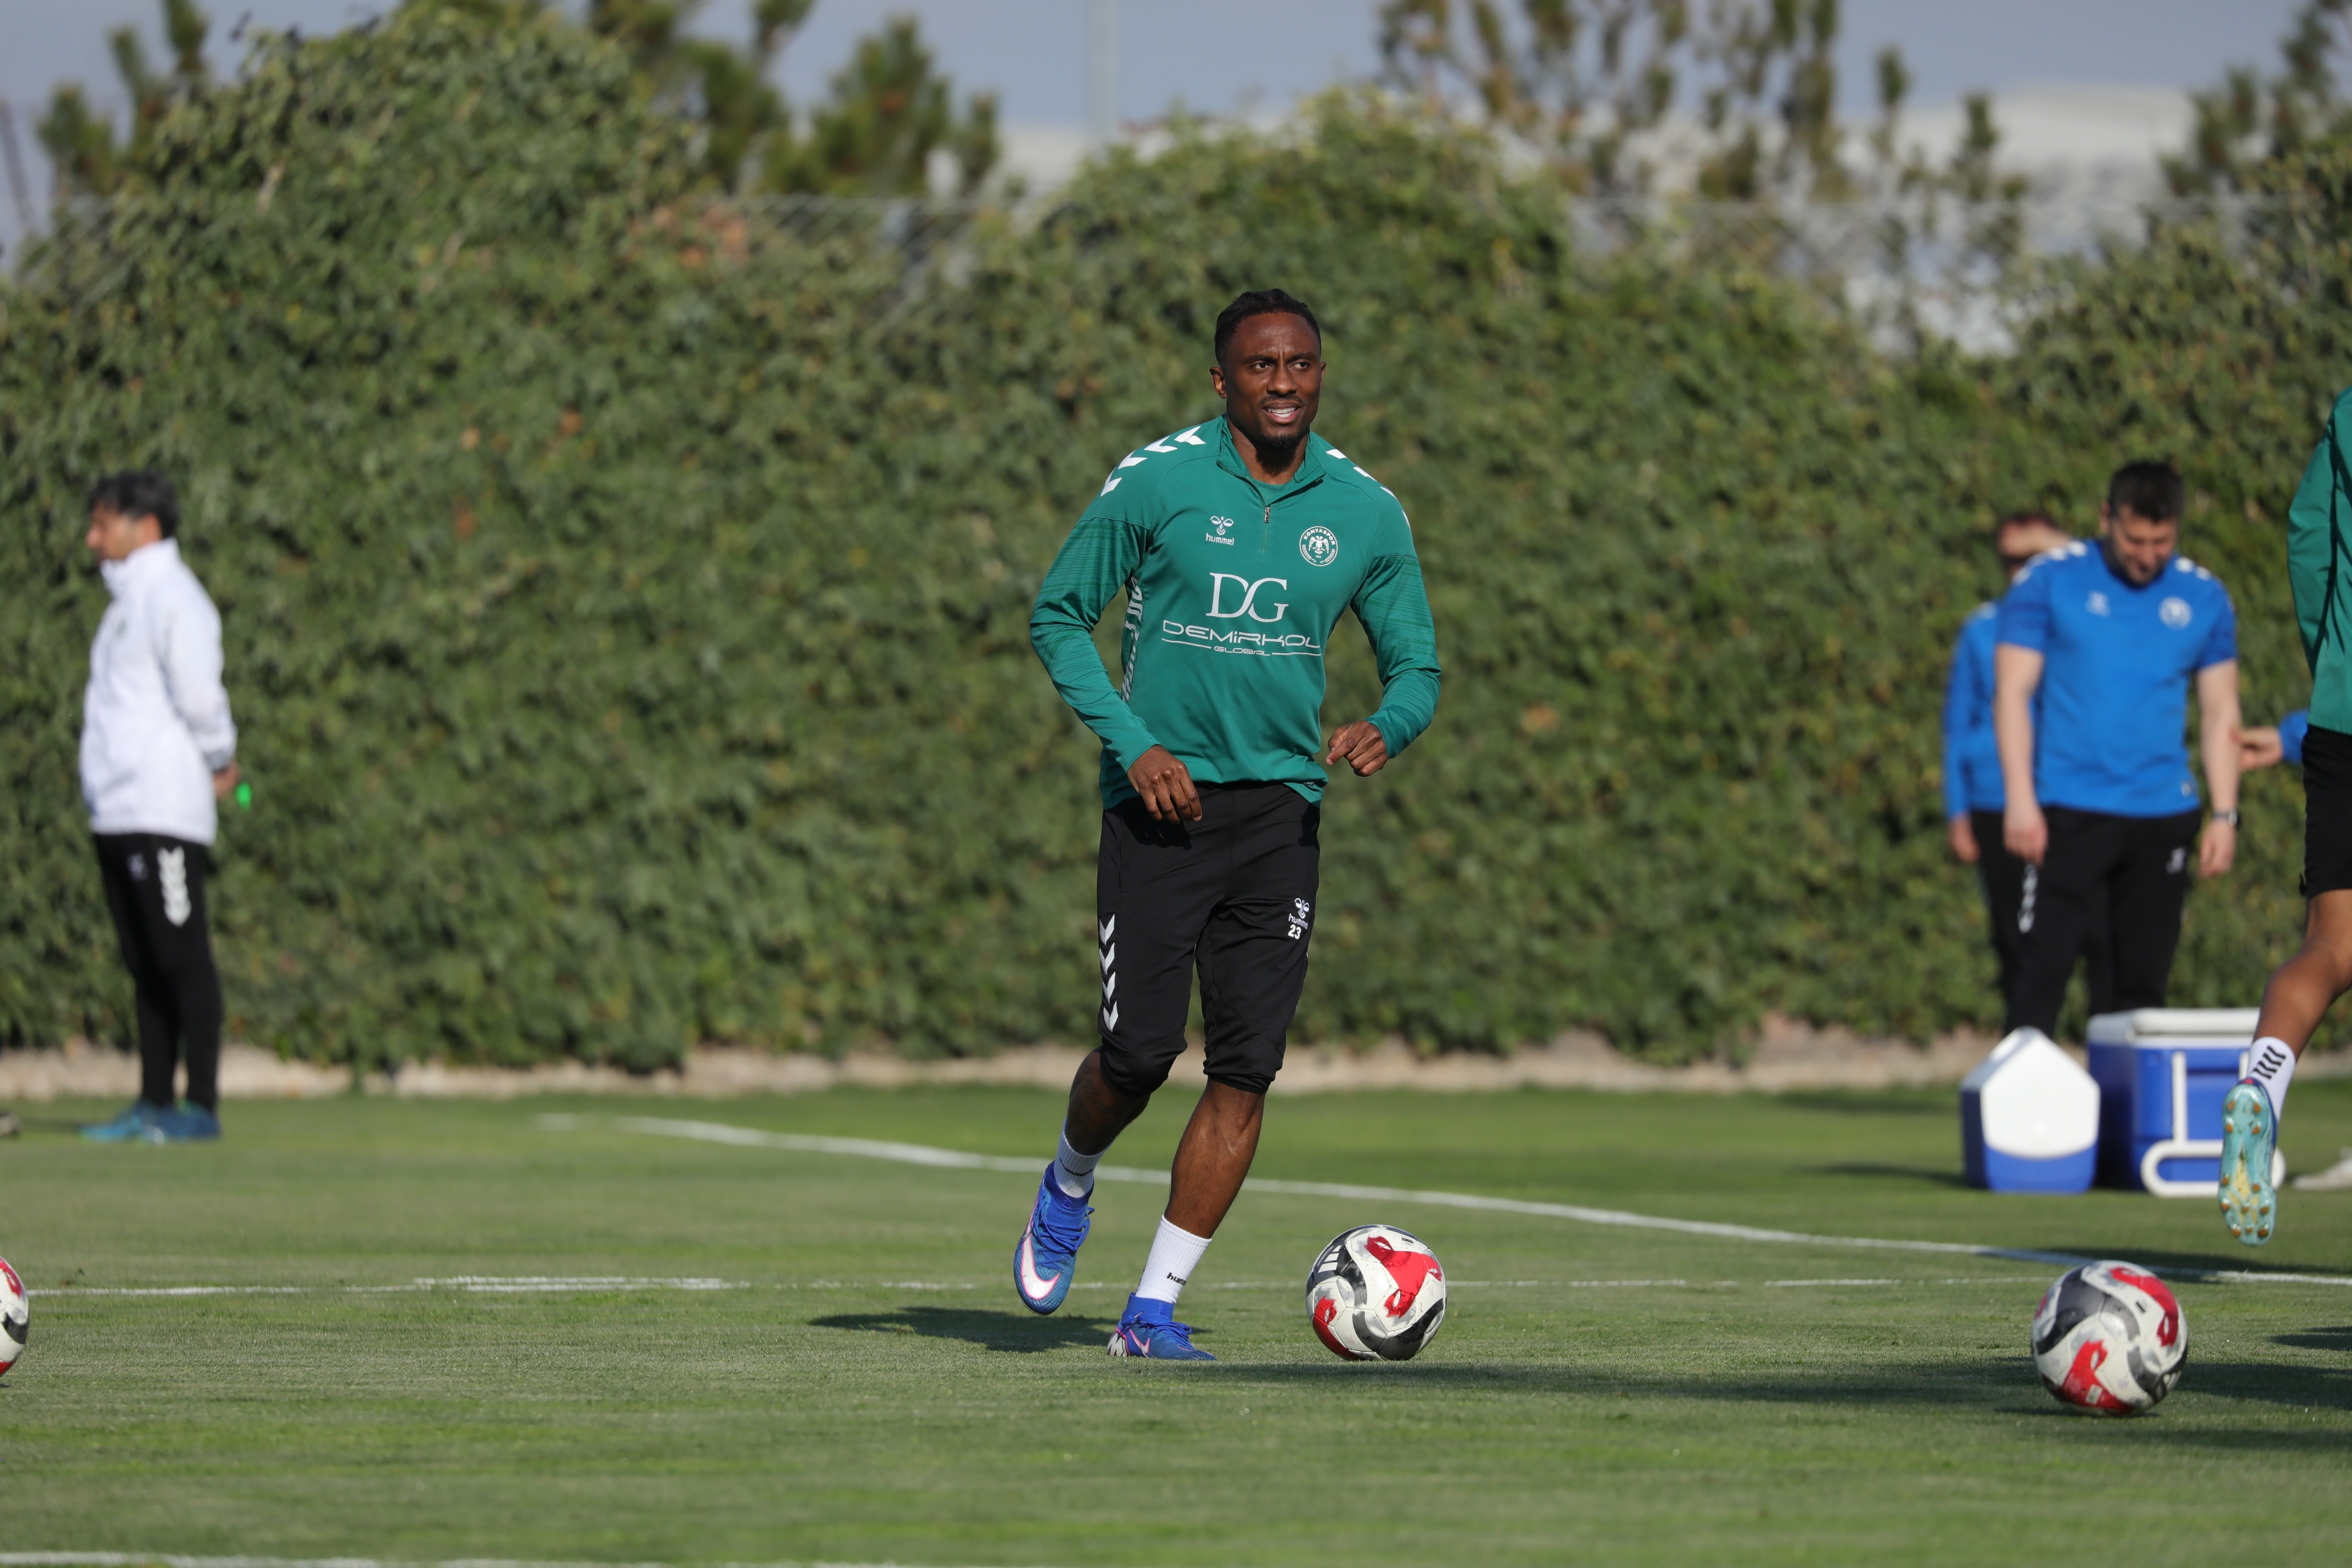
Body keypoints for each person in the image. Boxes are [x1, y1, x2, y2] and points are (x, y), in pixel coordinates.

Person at [1017, 289, 1441, 1360]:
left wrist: (1388, 723)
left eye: (1301, 363)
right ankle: (1069, 1179)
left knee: (1246, 1072)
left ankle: (1149, 1314)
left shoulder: (1366, 509)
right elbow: (1058, 615)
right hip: (1160, 805)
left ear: (1321, 374)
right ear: (1222, 380)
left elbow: (1418, 666)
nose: (1283, 382)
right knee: (1137, 1056)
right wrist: (1133, 745)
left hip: (1281, 818)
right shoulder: (1157, 480)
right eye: (1261, 365)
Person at [1994, 461, 2240, 1040]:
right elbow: (2012, 693)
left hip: (2161, 813)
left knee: (2139, 992)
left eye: (2161, 541)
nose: (2147, 555)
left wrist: (2225, 814)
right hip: (2068, 811)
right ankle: (2019, 1099)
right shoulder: (2048, 581)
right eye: (2134, 540)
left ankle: (2129, 1103)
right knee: (2039, 976)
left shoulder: (2203, 596)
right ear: (2107, 518)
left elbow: (2221, 712)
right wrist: (2020, 800)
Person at [2220, 386, 2352, 1247]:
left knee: (2330, 947)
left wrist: (2332, 665)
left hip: (2343, 714)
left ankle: (2262, 1085)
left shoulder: (2349, 409)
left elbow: (2310, 539)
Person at [77, 471, 240, 1144]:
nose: (93, 539)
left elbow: (199, 694)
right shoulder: (124, 605)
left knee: (181, 957)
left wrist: (221, 758)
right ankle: (152, 1101)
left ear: (144, 526)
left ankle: (198, 1106)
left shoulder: (175, 597)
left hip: (162, 810)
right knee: (143, 962)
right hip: (116, 811)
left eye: (103, 525)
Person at [1943, 511, 2073, 1004]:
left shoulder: (2073, 625)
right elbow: (1958, 723)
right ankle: (2021, 1031)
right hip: (1994, 796)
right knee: (2010, 932)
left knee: (2061, 928)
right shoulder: (1981, 628)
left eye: (2032, 558)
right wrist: (1957, 810)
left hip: (2059, 790)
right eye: (2010, 560)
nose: (2021, 571)